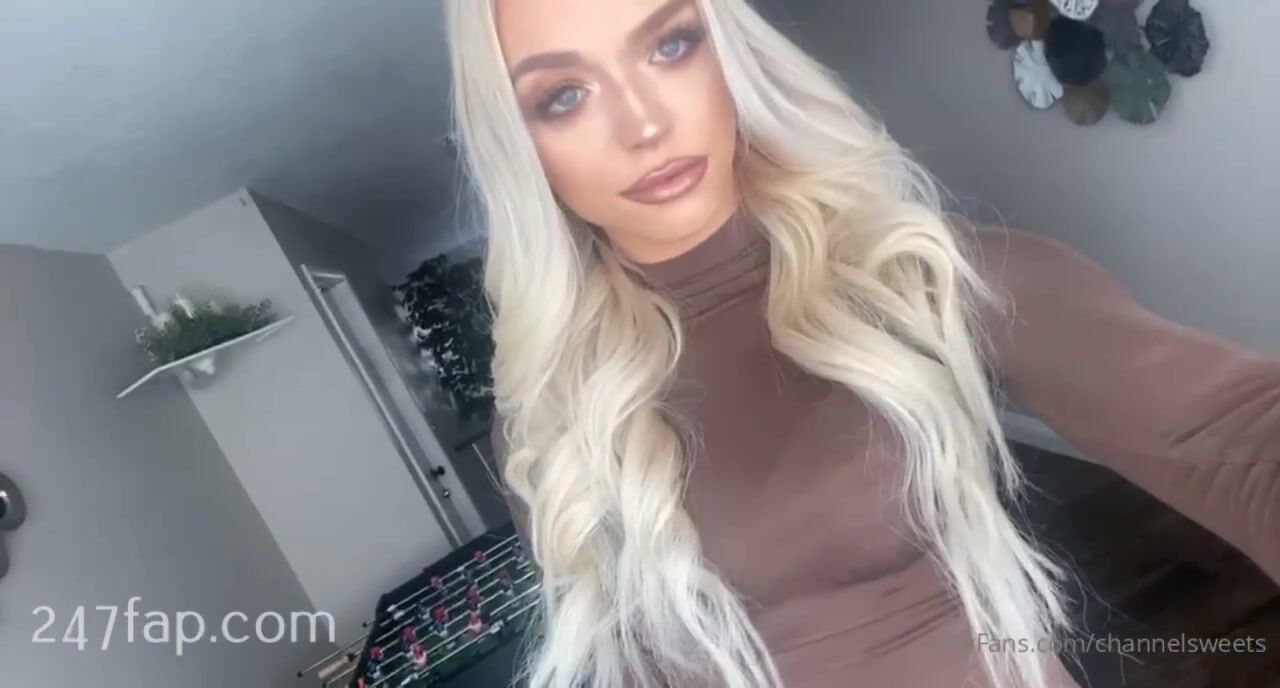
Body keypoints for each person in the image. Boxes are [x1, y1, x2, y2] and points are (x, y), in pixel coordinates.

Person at [442, 0, 1280, 686]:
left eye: (670, 45)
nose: (644, 122)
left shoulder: (917, 280)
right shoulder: (547, 424)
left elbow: (1242, 434)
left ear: (727, 51)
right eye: (564, 97)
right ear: (521, 148)